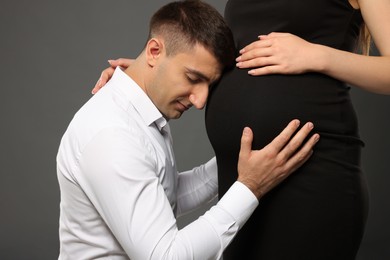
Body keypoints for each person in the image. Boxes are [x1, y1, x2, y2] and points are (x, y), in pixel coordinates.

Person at [94, 0, 390, 259]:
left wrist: (315, 55)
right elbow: (240, 56)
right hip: (243, 180)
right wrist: (154, 70)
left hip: (311, 175)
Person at [57, 1, 320, 259]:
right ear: (154, 52)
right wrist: (250, 186)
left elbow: (164, 194)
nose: (200, 100)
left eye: (210, 85)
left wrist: (244, 163)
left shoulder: (141, 113)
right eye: (193, 79)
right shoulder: (112, 135)